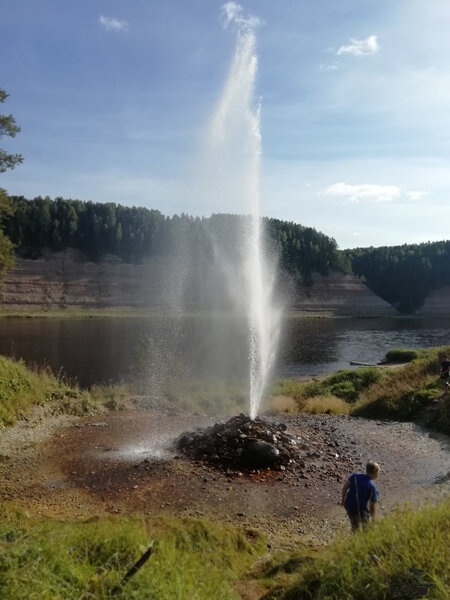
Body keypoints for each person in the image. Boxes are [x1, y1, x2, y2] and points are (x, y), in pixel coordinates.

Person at [341, 461, 380, 532]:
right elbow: (372, 506)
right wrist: (373, 520)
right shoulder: (372, 487)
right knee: (367, 530)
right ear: (375, 472)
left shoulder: (355, 476)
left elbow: (345, 487)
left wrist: (343, 500)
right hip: (360, 511)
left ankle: (354, 534)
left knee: (354, 526)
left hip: (349, 506)